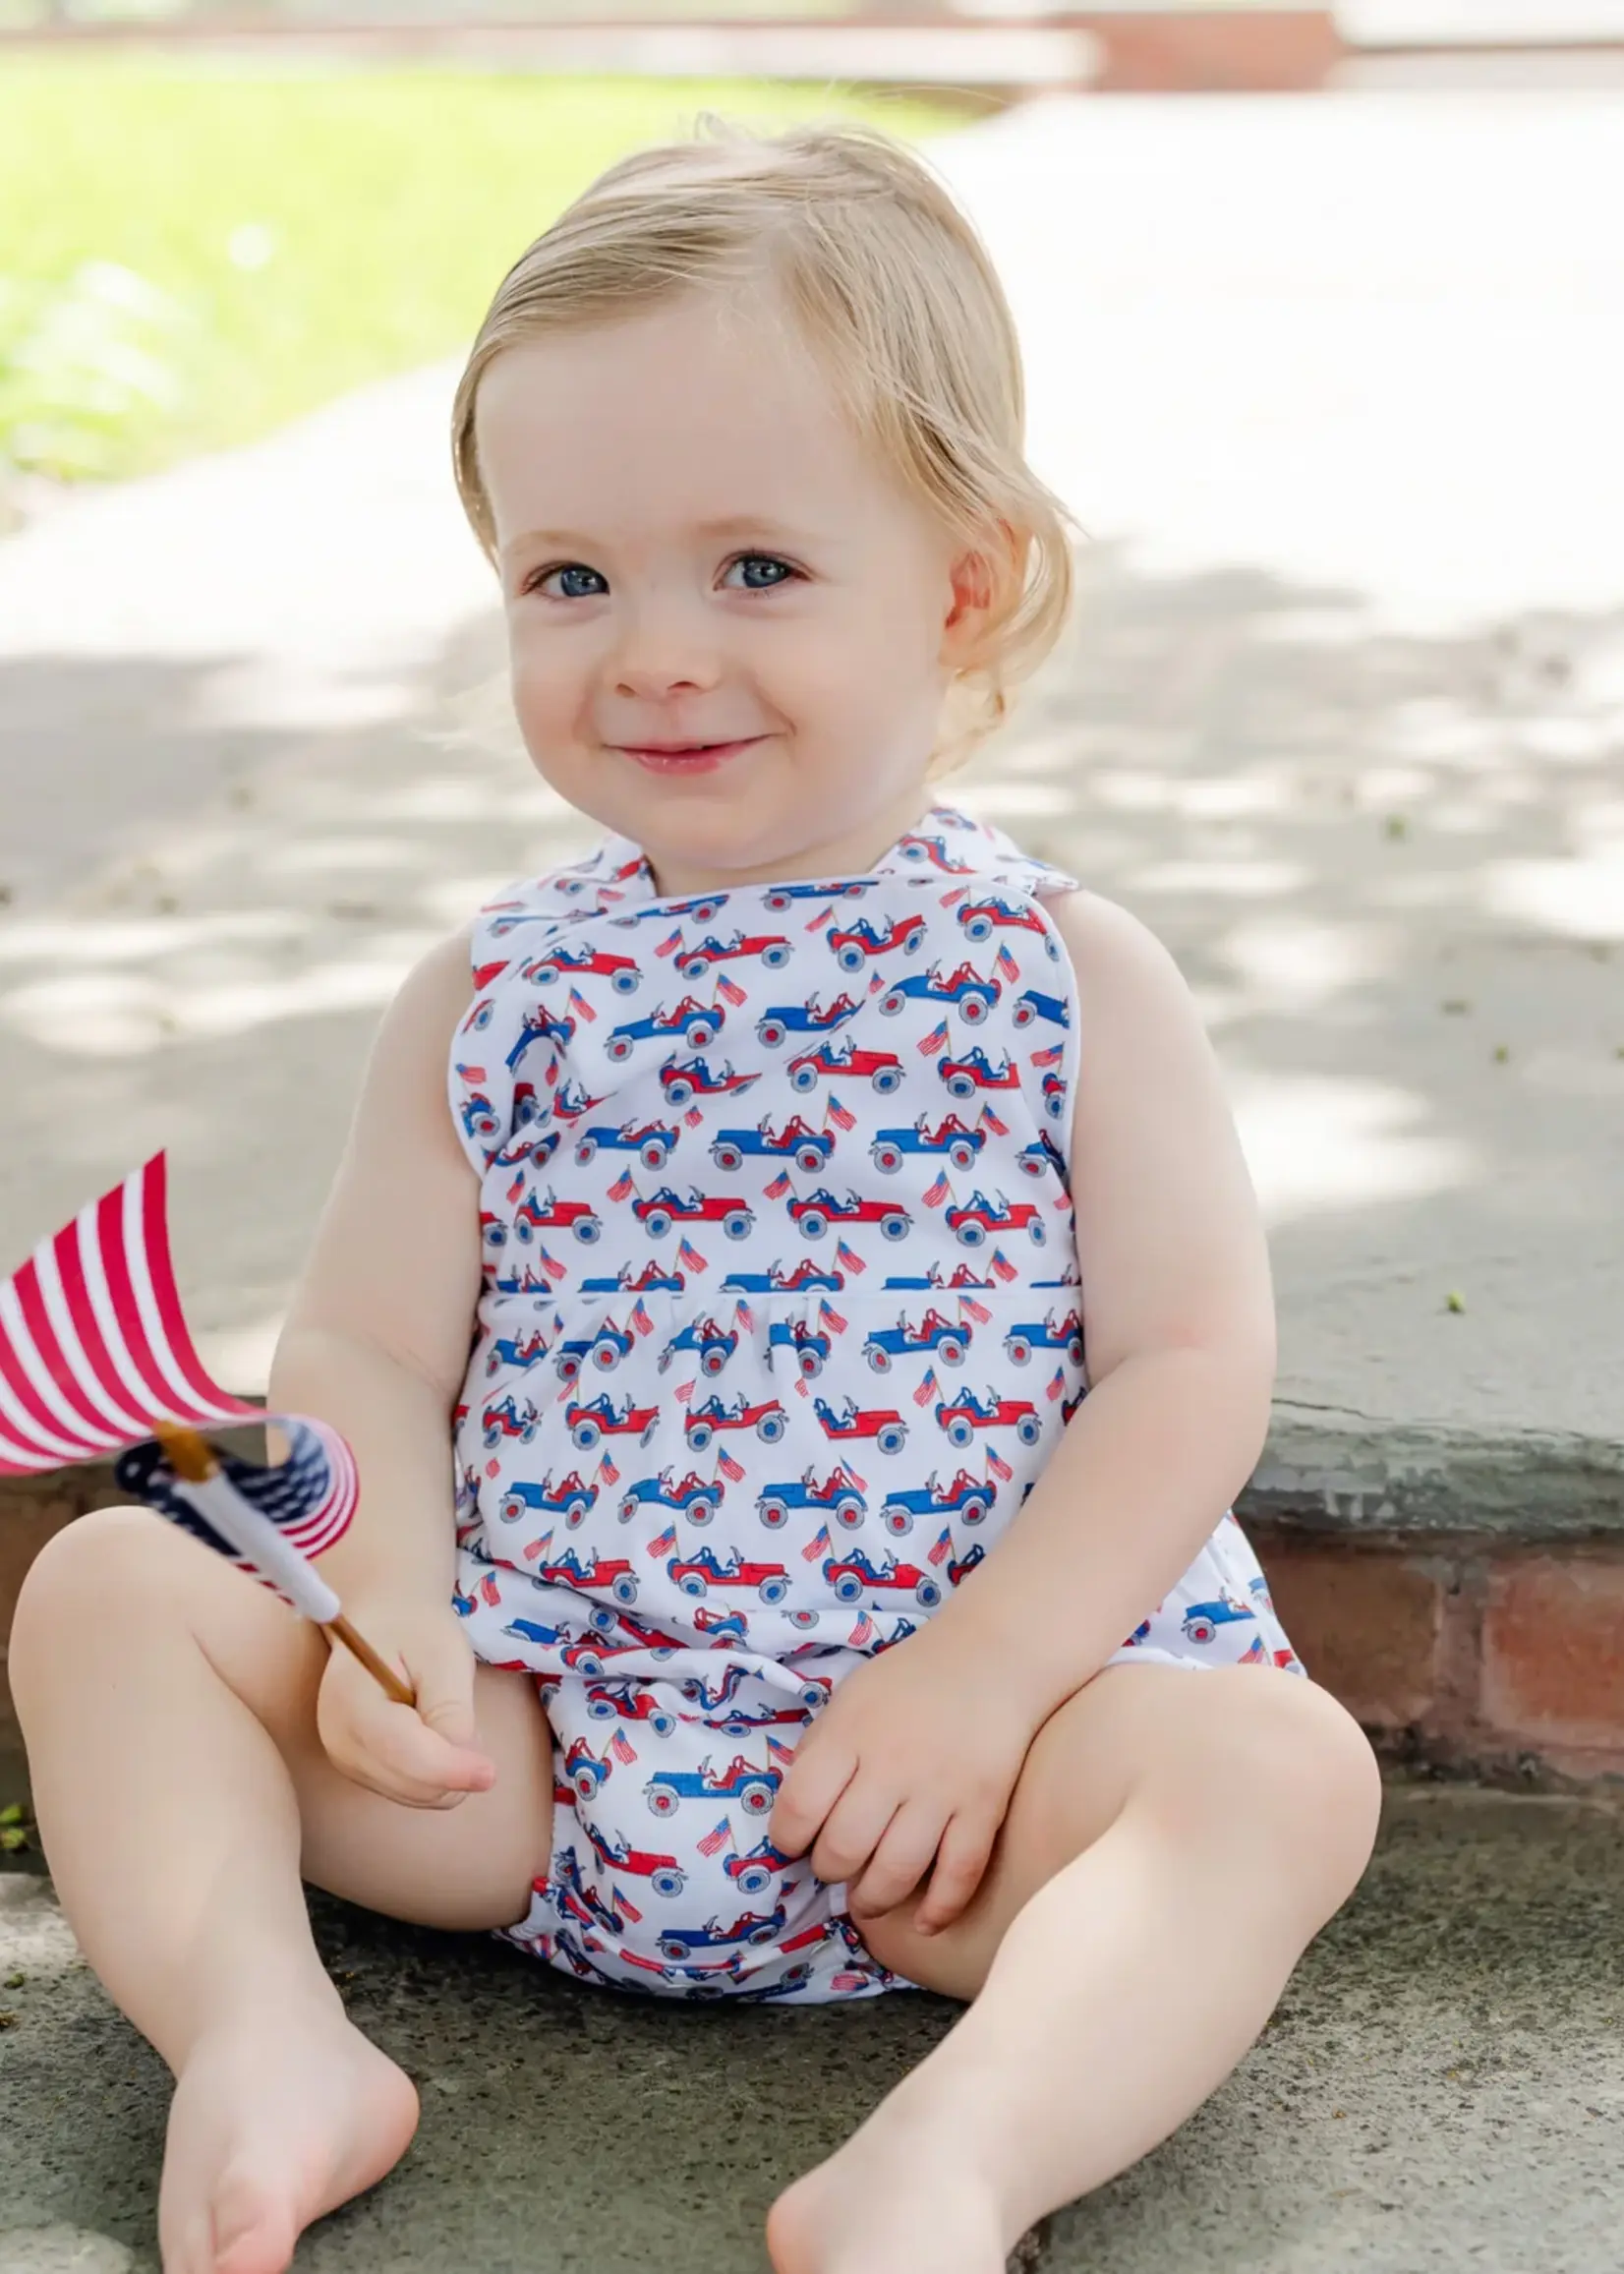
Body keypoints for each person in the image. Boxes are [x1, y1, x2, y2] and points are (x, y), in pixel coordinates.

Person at [8, 112, 1382, 2274]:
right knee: (115, 1587)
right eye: (571, 579)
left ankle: (955, 2161)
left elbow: (1189, 1359)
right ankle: (262, 2035)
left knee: (1281, 1779)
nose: (650, 649)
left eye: (754, 569)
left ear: (960, 585)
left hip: (953, 1806)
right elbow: (365, 1341)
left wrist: (984, 1676)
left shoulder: (1060, 975)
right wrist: (392, 1608)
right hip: (535, 1757)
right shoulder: (494, 992)